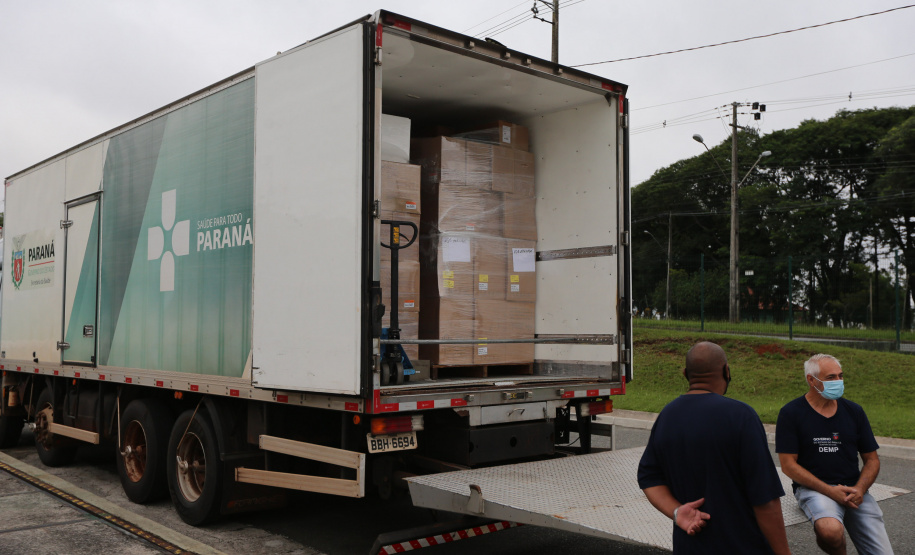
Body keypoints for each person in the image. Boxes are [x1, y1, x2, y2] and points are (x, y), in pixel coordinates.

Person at [637, 341, 791, 554]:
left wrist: (676, 511)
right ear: (727, 371)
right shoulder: (741, 417)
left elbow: (649, 477)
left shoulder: (667, 416)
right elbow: (765, 499)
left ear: (685, 374)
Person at [776, 354, 893, 555]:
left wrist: (860, 488)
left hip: (854, 490)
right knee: (830, 531)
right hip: (815, 490)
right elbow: (788, 465)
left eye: (840, 376)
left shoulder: (854, 411)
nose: (838, 382)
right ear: (811, 380)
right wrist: (831, 492)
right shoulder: (791, 413)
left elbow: (872, 459)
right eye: (831, 377)